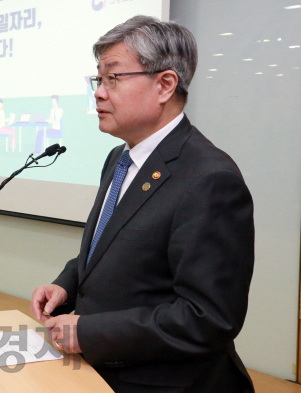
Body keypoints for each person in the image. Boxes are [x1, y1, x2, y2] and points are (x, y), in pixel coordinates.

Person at [30, 16, 255, 393]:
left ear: (165, 85)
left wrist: (89, 331)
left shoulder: (209, 179)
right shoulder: (121, 158)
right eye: (97, 80)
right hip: (102, 373)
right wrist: (67, 285)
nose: (99, 93)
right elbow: (115, 244)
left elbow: (208, 319)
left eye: (113, 78)